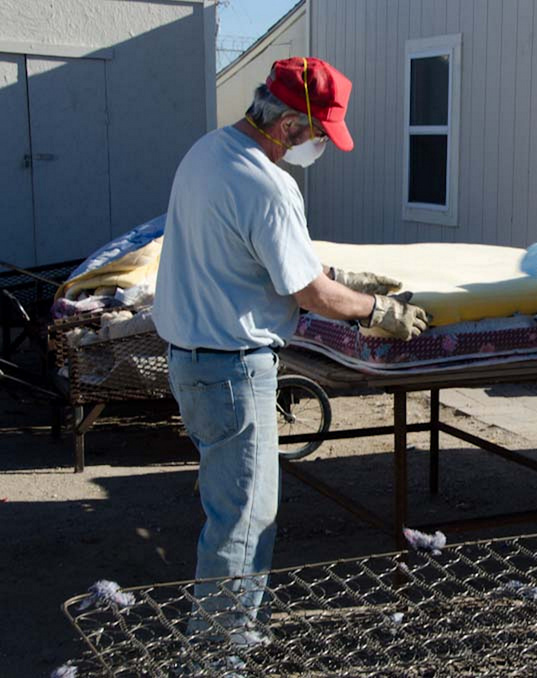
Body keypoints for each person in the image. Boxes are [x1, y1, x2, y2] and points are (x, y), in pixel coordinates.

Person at [153, 56, 428, 640]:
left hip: (191, 362)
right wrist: (378, 311)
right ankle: (219, 656)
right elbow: (306, 292)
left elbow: (252, 253)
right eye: (318, 135)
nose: (318, 147)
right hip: (233, 372)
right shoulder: (268, 183)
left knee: (227, 513)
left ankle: (229, 635)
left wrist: (343, 274)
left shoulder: (207, 153)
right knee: (245, 524)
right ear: (288, 127)